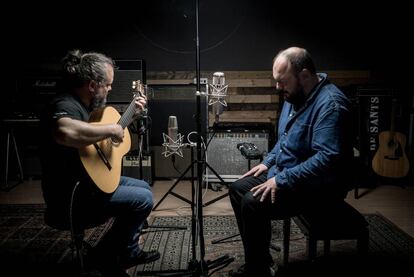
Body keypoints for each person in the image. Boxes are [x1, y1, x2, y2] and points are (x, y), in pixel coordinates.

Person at [228, 47, 353, 276]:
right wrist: (268, 162)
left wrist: (281, 179)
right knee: (237, 189)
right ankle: (262, 262)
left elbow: (327, 159)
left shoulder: (331, 105)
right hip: (288, 171)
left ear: (304, 75)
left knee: (252, 203)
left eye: (282, 81)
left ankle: (257, 271)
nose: (277, 87)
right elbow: (285, 139)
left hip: (318, 187)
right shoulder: (293, 94)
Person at [40, 49, 160, 276]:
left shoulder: (86, 107)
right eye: (107, 84)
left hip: (87, 183)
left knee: (143, 187)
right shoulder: (64, 103)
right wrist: (110, 129)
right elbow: (63, 131)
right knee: (142, 199)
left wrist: (130, 116)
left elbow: (97, 139)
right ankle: (102, 256)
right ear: (92, 85)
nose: (111, 88)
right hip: (71, 196)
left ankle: (129, 251)